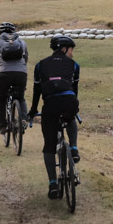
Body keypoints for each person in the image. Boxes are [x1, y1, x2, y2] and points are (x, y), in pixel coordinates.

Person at [28, 35, 80, 199]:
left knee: (49, 145)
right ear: (64, 49)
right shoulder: (75, 65)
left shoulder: (39, 65)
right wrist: (73, 107)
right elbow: (74, 89)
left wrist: (33, 110)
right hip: (69, 100)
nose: (72, 54)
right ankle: (73, 148)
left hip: (50, 105)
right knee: (71, 118)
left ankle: (52, 184)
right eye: (71, 50)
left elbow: (37, 91)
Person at [0, 23, 29, 135]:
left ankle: (2, 126)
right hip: (21, 73)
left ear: (0, 33)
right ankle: (24, 119)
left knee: (1, 98)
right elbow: (25, 59)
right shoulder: (22, 43)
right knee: (20, 97)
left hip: (3, 74)